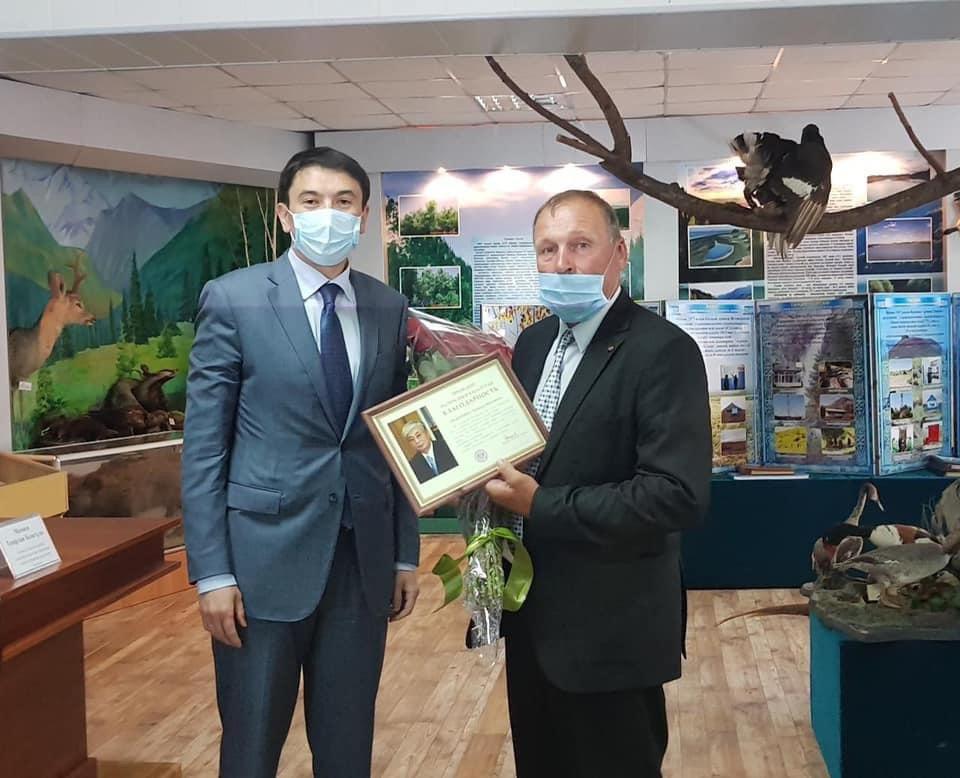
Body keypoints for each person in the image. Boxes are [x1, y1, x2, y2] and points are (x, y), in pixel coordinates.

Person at [181, 146, 420, 778]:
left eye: (343, 202)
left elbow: (393, 441)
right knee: (252, 746)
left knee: (347, 747)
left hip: (360, 562)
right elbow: (204, 448)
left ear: (363, 217)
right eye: (311, 202)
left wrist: (404, 553)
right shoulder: (234, 299)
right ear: (286, 215)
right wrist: (211, 573)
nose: (327, 214)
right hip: (260, 566)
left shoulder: (387, 307)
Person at [484, 189, 712, 778]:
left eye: (580, 246)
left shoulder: (663, 352)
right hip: (532, 624)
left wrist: (541, 504)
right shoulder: (534, 344)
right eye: (547, 249)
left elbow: (676, 495)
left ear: (619, 252)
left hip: (612, 633)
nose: (562, 264)